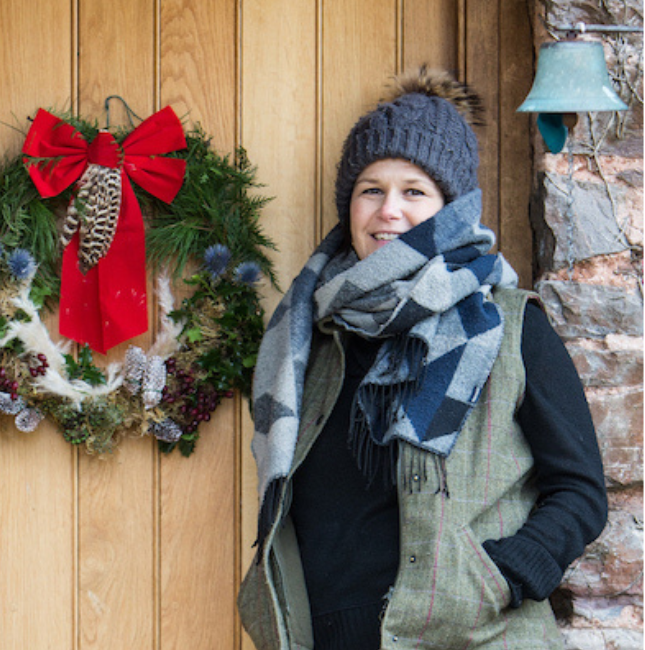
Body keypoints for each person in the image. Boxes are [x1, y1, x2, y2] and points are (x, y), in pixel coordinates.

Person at [239, 68, 607, 650]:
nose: (389, 211)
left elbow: (581, 490)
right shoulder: (312, 335)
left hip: (476, 637)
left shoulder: (511, 325)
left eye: (414, 191)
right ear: (349, 206)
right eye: (370, 190)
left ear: (450, 209)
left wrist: (498, 579)